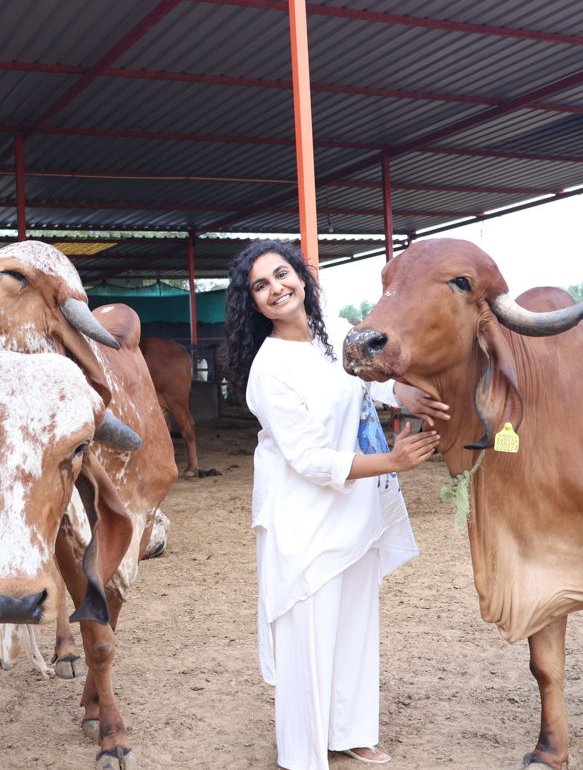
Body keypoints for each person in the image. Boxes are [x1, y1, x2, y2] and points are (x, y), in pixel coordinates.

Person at [223, 240, 446, 769]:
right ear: (253, 303)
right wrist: (394, 461)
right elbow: (309, 460)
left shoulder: (335, 334)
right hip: (303, 517)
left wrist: (403, 395)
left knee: (354, 626)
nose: (277, 288)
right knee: (308, 635)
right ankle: (303, 754)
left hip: (355, 511)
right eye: (261, 285)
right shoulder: (270, 369)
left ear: (301, 278)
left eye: (282, 275)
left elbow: (366, 378)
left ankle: (351, 730)